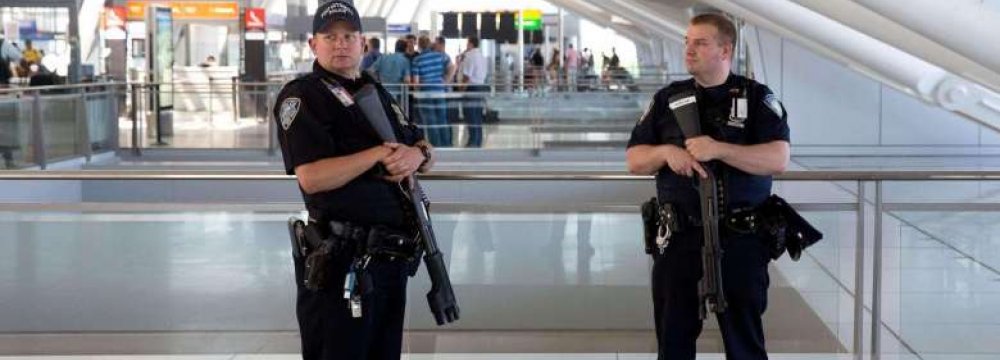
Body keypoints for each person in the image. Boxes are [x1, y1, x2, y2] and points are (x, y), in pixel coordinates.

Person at [271, 1, 435, 359]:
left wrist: (418, 154)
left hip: (389, 262)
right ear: (314, 45)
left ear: (363, 43)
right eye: (330, 36)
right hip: (340, 264)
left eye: (348, 36)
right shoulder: (303, 97)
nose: (340, 43)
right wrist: (377, 155)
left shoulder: (374, 91)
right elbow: (312, 178)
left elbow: (417, 139)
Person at [625, 13, 789, 360]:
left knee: (745, 344)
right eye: (687, 41)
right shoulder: (668, 99)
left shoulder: (757, 97)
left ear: (725, 50)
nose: (689, 49)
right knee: (673, 342)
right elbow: (635, 159)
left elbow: (778, 158)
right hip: (678, 240)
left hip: (741, 240)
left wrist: (720, 149)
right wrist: (666, 152)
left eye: (700, 42)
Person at [411, 35, 455, 147]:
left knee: (430, 122)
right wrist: (445, 81)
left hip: (425, 93)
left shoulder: (417, 60)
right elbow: (452, 67)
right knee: (442, 120)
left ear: (419, 46)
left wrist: (417, 90)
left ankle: (436, 147)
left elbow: (415, 82)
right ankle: (446, 145)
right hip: (439, 90)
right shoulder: (439, 56)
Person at [458, 36, 488, 147]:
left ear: (470, 44)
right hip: (480, 88)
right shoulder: (482, 56)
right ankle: (478, 141)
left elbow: (467, 76)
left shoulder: (470, 56)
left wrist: (461, 88)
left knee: (471, 116)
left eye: (467, 43)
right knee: (478, 116)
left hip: (471, 88)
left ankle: (472, 142)